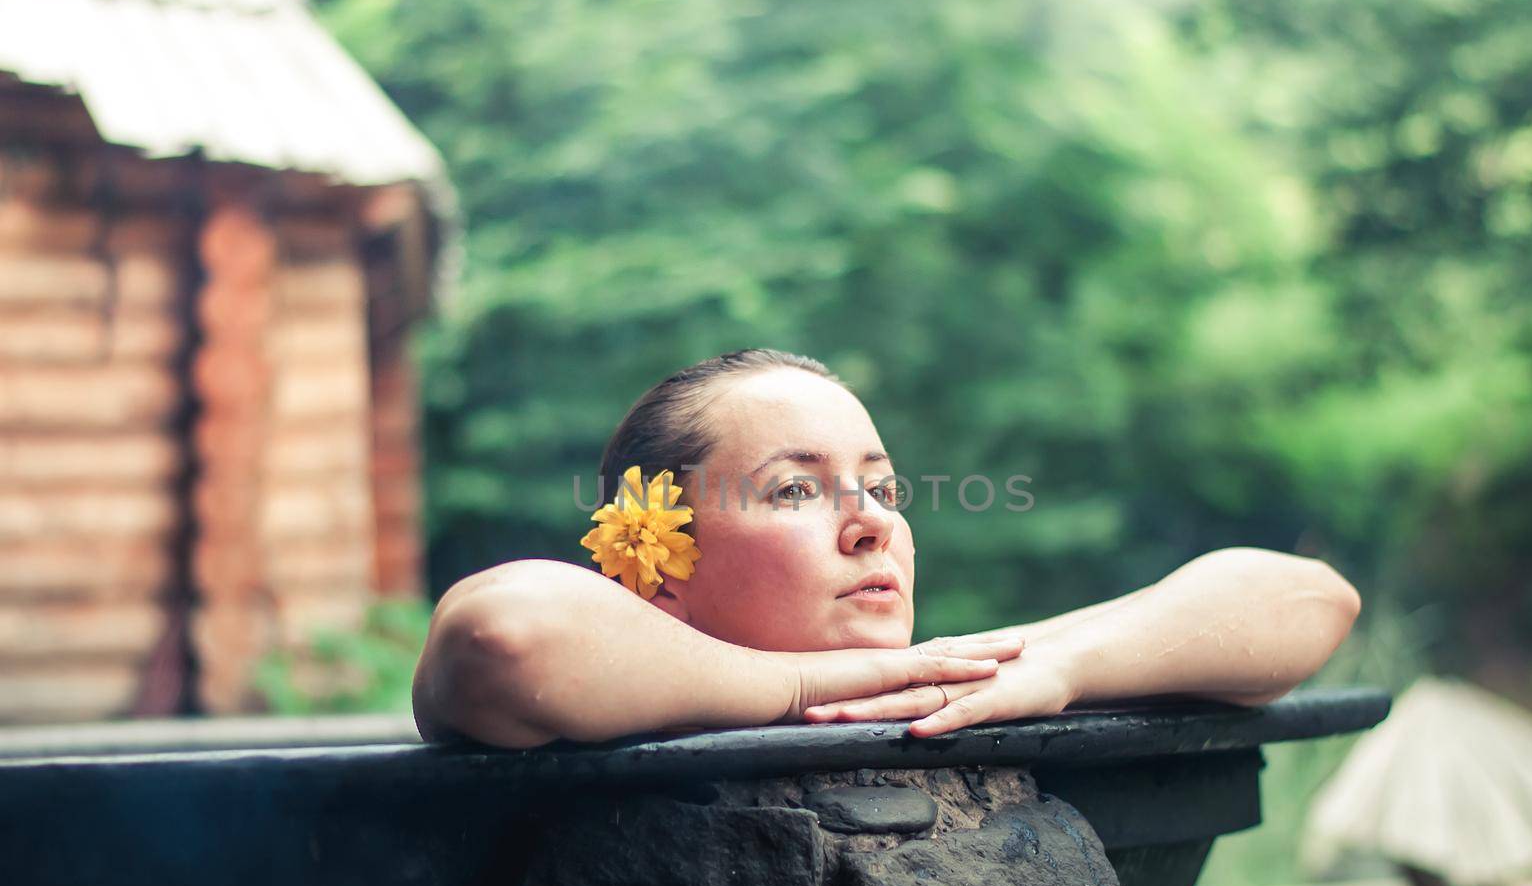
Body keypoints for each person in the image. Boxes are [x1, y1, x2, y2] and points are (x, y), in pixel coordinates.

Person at [412, 349, 1362, 748]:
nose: (871, 521)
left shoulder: (952, 684)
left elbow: (1313, 601)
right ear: (659, 571)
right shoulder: (589, 681)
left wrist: (1063, 663)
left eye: (883, 487)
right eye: (795, 489)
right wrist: (797, 691)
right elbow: (505, 634)